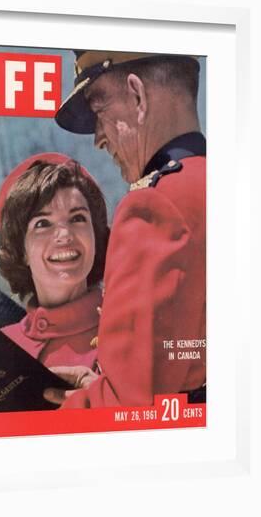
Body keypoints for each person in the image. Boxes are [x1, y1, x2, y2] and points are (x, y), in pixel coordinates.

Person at [45, 50, 206, 407]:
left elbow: (129, 410)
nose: (98, 139)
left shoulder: (155, 206)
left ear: (137, 96)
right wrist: (103, 381)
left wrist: (37, 412)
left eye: (99, 111)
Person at [0, 153, 110, 376]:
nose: (65, 235)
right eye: (43, 223)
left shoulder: (128, 327)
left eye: (77, 218)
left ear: (95, 235)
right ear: (21, 250)